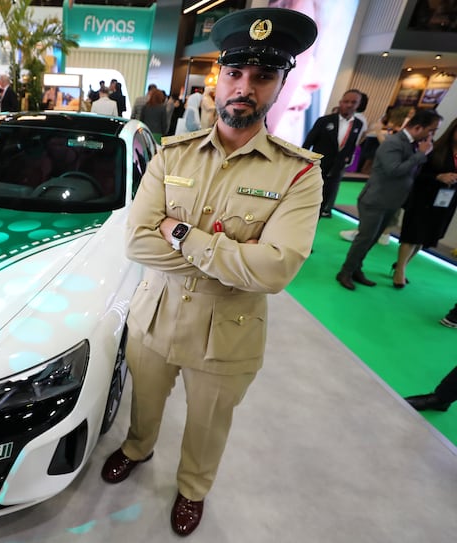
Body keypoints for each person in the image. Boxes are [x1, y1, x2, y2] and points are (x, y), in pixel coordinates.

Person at [100, 7, 321, 537]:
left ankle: (193, 488)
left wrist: (181, 233)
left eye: (263, 76)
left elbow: (274, 270)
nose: (245, 87)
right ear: (217, 79)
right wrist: (231, 258)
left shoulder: (299, 174)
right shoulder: (172, 155)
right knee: (144, 404)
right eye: (235, 73)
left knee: (208, 424)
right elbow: (134, 239)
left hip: (227, 335)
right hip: (155, 319)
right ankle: (137, 448)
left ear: (280, 85)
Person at [335, 109, 442, 290]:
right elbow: (394, 170)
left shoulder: (413, 144)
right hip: (375, 200)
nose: (432, 135)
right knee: (364, 238)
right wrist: (420, 155)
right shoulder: (393, 142)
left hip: (391, 201)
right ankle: (345, 272)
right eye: (431, 130)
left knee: (372, 238)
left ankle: (356, 269)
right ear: (418, 127)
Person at [391, 117, 457, 287]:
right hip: (423, 198)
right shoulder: (435, 149)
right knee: (412, 236)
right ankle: (399, 272)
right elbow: (416, 174)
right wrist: (438, 177)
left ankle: (402, 266)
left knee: (424, 238)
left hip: (445, 202)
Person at [302, 89, 364, 218]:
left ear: (358, 104)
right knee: (307, 196)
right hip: (318, 166)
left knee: (324, 199)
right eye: (346, 101)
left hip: (336, 170)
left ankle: (316, 220)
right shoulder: (324, 121)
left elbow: (351, 144)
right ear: (341, 102)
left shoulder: (358, 124)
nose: (349, 105)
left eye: (353, 102)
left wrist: (346, 160)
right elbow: (308, 142)